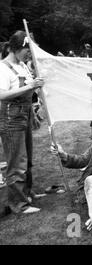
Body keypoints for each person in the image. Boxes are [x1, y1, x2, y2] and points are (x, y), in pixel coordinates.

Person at [0, 31, 45, 214]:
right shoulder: (3, 68)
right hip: (11, 119)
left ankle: (27, 193)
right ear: (18, 48)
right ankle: (18, 204)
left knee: (26, 158)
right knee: (16, 161)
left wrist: (32, 115)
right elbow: (1, 95)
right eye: (28, 50)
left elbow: (28, 92)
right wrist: (30, 86)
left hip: (25, 114)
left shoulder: (22, 65)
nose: (30, 55)